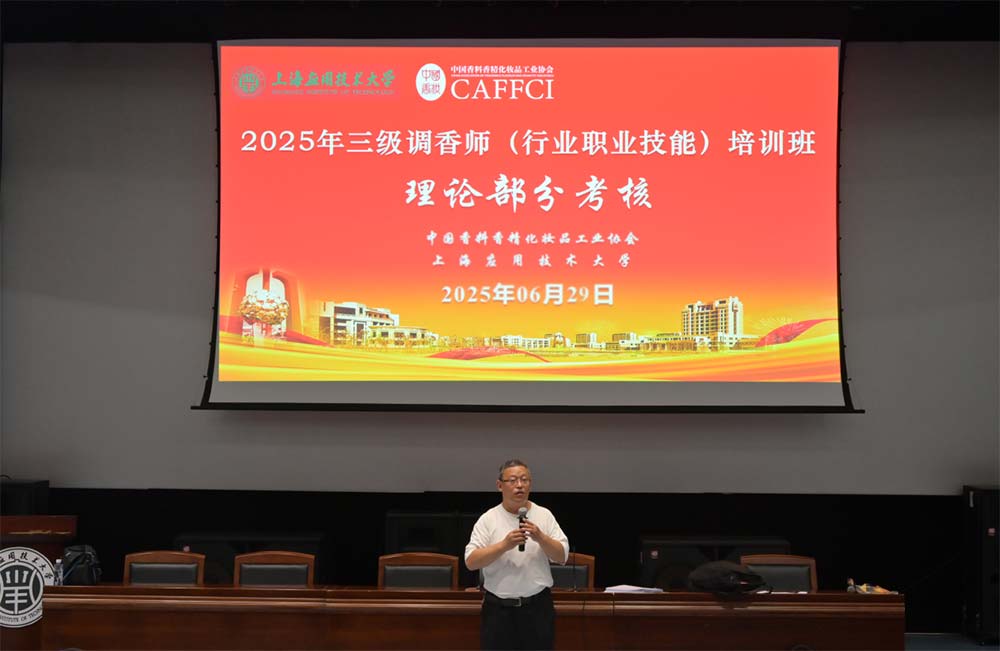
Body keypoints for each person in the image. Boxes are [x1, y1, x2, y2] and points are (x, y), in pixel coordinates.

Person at [465, 459, 569, 650]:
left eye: (524, 480)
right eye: (513, 480)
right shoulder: (488, 519)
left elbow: (562, 556)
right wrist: (504, 545)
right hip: (498, 611)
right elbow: (471, 562)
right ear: (500, 485)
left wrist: (541, 537)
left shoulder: (544, 515)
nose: (519, 485)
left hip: (537, 609)